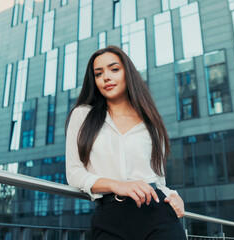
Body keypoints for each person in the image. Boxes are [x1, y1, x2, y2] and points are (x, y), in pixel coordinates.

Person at [65, 45, 186, 240]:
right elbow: (74, 173)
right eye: (98, 73)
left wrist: (174, 195)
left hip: (157, 214)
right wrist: (116, 185)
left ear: (127, 73)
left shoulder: (151, 123)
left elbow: (157, 179)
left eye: (114, 69)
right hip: (109, 217)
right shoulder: (83, 115)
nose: (106, 77)